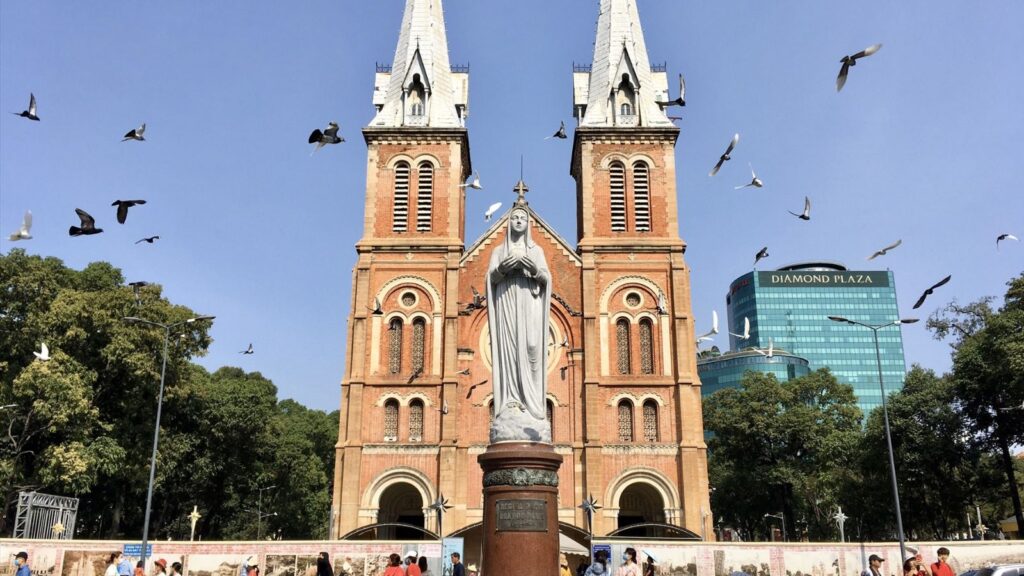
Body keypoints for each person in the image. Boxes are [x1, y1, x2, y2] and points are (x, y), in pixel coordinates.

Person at [486, 206, 552, 442]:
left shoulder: (537, 250)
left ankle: (532, 404)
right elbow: (490, 279)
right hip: (507, 305)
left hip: (530, 305)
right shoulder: (497, 251)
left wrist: (534, 269)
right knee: (510, 353)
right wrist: (502, 269)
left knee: (532, 347)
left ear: (528, 224)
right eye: (514, 217)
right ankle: (511, 401)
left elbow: (546, 279)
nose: (518, 221)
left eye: (522, 218)